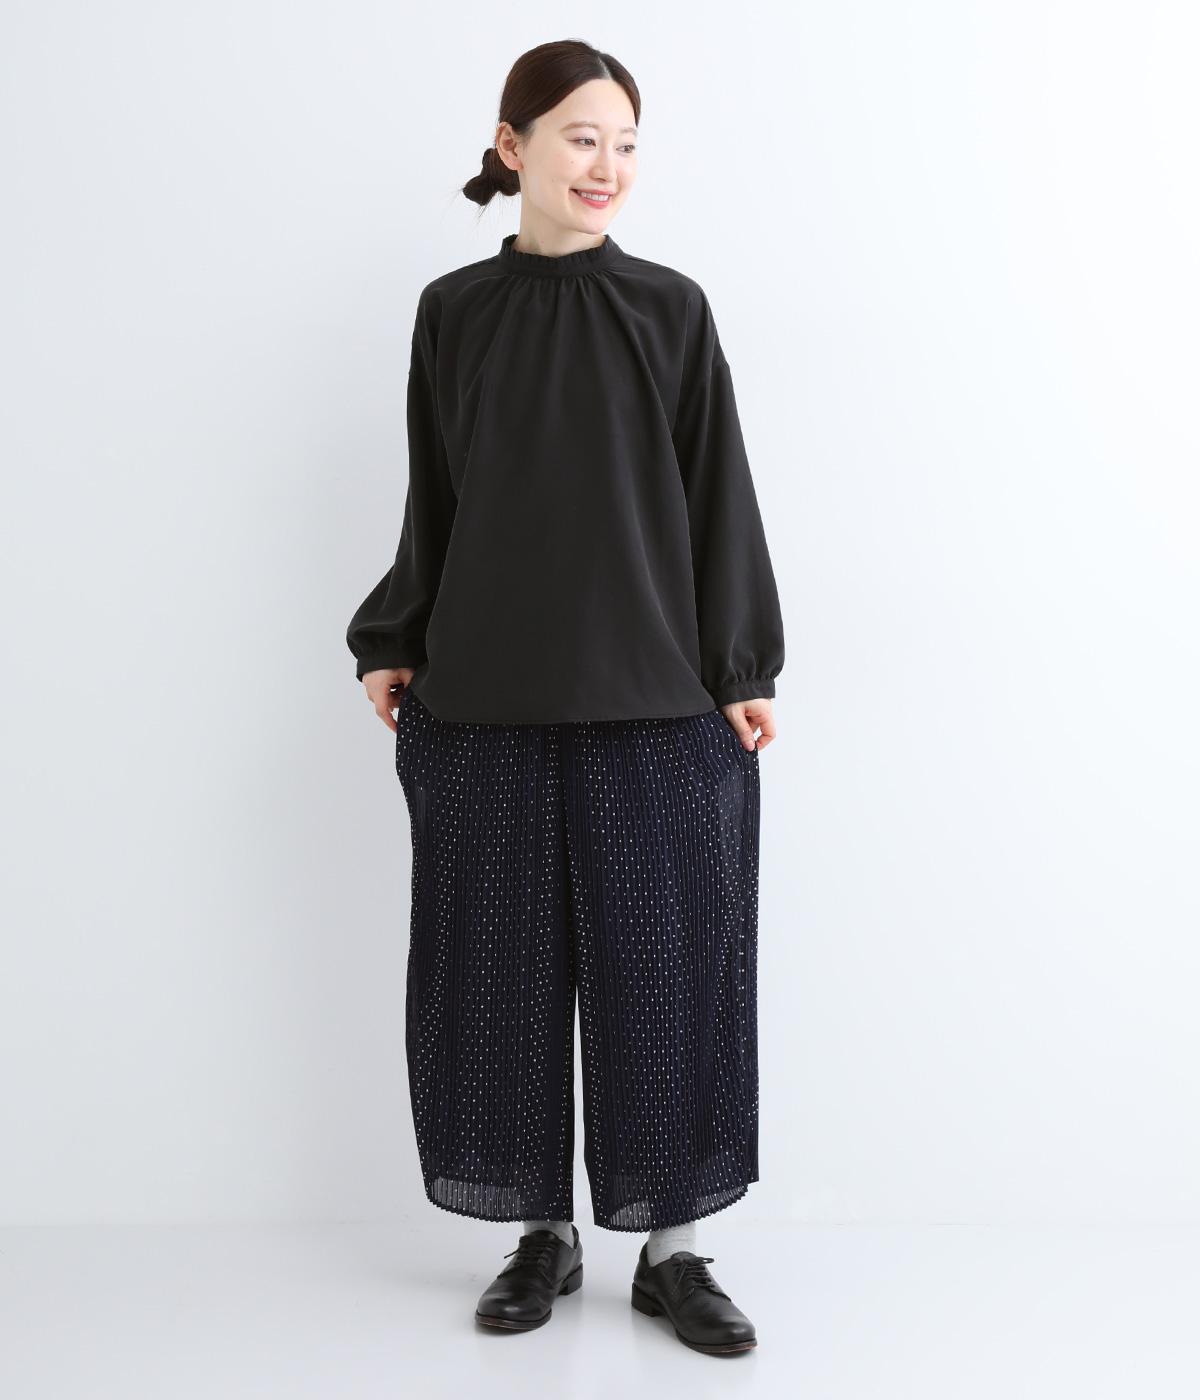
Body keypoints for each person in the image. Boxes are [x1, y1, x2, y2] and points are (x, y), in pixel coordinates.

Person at [346, 39, 783, 1357]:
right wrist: (394, 634)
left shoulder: (670, 309)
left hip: (655, 702)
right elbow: (437, 489)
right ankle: (541, 1236)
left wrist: (741, 666)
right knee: (497, 982)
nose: (608, 166)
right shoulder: (453, 312)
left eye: (627, 143)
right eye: (583, 137)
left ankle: (672, 1251)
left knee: (669, 980)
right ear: (513, 145)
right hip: (486, 698)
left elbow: (717, 491)